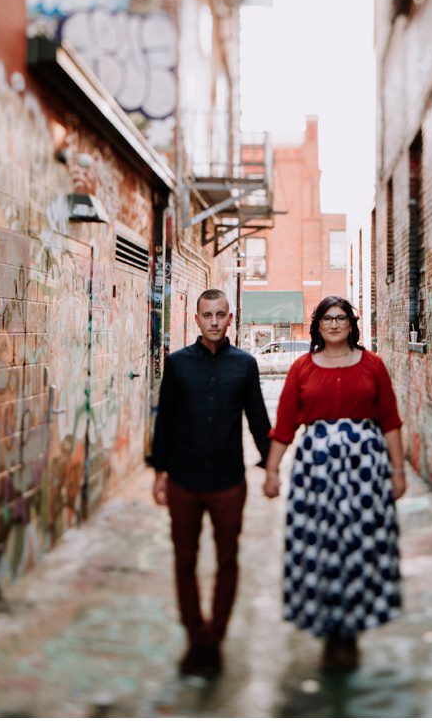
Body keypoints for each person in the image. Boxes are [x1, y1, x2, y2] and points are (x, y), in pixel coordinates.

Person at [261, 295, 406, 671]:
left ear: (352, 324)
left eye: (341, 318)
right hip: (316, 472)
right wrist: (272, 471)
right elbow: (284, 425)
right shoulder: (302, 368)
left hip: (366, 471)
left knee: (361, 544)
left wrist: (398, 470)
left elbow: (390, 420)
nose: (335, 324)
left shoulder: (373, 365)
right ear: (318, 326)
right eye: (327, 318)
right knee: (321, 544)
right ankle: (329, 633)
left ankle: (351, 633)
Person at [149, 289, 272, 677]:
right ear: (197, 319)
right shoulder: (177, 364)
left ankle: (214, 640)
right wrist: (159, 473)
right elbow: (164, 420)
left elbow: (258, 419)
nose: (214, 321)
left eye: (221, 315)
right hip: (183, 480)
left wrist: (271, 467)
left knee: (227, 560)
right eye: (208, 315)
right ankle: (195, 638)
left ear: (230, 318)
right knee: (185, 560)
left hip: (228, 481)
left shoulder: (245, 365)